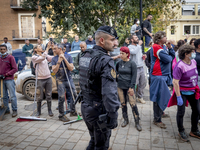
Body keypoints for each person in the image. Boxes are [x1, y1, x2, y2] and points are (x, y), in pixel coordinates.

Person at [79, 26, 120, 149]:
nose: (116, 43)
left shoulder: (86, 55)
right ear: (102, 40)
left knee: (94, 140)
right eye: (112, 40)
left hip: (86, 107)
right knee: (101, 145)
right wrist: (113, 115)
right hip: (98, 111)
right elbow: (109, 93)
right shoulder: (105, 61)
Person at [172, 44, 200, 142]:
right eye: (192, 52)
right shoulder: (179, 66)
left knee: (197, 110)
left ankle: (194, 130)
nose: (194, 53)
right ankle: (181, 130)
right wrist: (178, 96)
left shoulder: (194, 62)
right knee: (181, 112)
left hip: (193, 90)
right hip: (182, 92)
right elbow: (175, 82)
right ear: (186, 54)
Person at [150, 31, 175, 129]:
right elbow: (168, 59)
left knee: (162, 95)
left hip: (163, 75)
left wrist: (170, 48)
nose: (166, 38)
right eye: (165, 37)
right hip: (158, 76)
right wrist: (168, 54)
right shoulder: (156, 47)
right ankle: (157, 119)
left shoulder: (163, 47)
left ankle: (160, 113)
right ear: (160, 38)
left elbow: (172, 57)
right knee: (158, 97)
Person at [116, 46, 142, 131]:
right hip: (120, 87)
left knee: (133, 105)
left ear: (127, 54)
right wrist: (116, 77)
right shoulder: (119, 63)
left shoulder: (132, 64)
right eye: (120, 53)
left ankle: (137, 121)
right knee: (123, 104)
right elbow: (116, 72)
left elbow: (134, 76)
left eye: (122, 53)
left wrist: (131, 87)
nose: (120, 55)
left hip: (129, 88)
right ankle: (125, 119)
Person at [52, 44, 77, 122]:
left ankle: (72, 111)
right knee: (61, 97)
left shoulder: (68, 57)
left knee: (74, 94)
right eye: (53, 49)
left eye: (55, 49)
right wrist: (59, 61)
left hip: (68, 79)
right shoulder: (54, 59)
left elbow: (71, 68)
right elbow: (54, 71)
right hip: (60, 80)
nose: (53, 50)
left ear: (60, 49)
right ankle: (61, 115)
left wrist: (64, 59)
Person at [32, 43, 54, 117]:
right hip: (40, 79)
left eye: (41, 46)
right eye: (39, 46)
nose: (41, 47)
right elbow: (42, 58)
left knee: (49, 95)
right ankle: (38, 111)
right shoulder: (34, 57)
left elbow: (52, 58)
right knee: (39, 96)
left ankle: (50, 110)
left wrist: (54, 49)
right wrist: (47, 48)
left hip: (48, 78)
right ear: (35, 49)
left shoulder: (45, 55)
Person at [0, 44, 18, 117]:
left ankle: (14, 110)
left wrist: (6, 74)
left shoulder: (10, 57)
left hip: (9, 80)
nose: (2, 50)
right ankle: (6, 110)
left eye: (4, 49)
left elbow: (15, 69)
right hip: (1, 80)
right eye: (1, 49)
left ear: (6, 50)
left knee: (12, 96)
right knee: (4, 96)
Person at [128, 35, 147, 104]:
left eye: (137, 37)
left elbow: (138, 54)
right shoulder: (129, 47)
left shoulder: (138, 47)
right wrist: (139, 45)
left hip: (141, 67)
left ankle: (140, 97)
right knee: (134, 83)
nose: (138, 38)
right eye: (136, 38)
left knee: (142, 83)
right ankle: (132, 97)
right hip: (135, 68)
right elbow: (134, 52)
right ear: (132, 40)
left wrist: (143, 56)